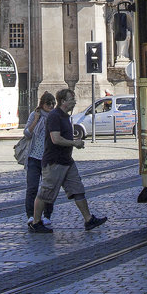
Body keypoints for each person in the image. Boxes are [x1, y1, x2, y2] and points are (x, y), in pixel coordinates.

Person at [29, 88, 106, 233]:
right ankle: (36, 222)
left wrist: (74, 141)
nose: (75, 101)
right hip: (54, 162)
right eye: (72, 99)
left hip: (67, 161)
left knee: (78, 189)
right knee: (45, 192)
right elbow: (55, 139)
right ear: (63, 101)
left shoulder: (65, 116)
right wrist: (74, 143)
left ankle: (88, 219)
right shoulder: (54, 116)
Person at [24, 91, 56, 229]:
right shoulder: (34, 115)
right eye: (48, 103)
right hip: (34, 158)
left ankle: (47, 215)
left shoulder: (55, 117)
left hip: (48, 158)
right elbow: (26, 133)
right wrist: (36, 120)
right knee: (32, 188)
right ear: (42, 104)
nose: (51, 106)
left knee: (48, 189)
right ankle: (31, 215)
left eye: (53, 103)